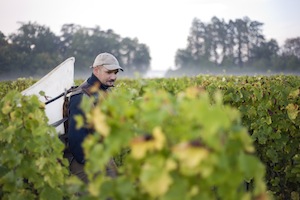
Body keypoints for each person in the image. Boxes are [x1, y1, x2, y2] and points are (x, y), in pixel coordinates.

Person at [67, 52, 123, 183]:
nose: (113, 77)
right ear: (96, 70)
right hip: (83, 158)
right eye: (109, 72)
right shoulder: (81, 96)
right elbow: (76, 138)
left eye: (116, 72)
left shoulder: (105, 91)